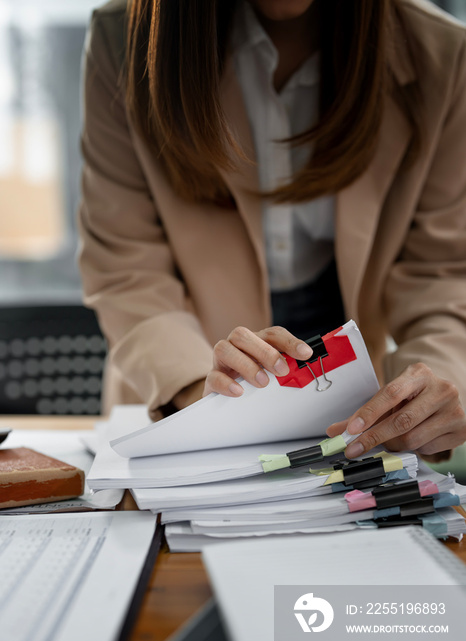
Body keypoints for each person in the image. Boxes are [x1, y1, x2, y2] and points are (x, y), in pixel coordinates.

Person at [79, 0, 466, 461]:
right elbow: (127, 269)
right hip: (187, 377)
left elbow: (442, 275)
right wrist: (199, 392)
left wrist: (433, 383)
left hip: (350, 393)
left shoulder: (444, 53)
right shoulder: (121, 39)